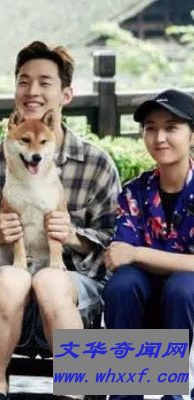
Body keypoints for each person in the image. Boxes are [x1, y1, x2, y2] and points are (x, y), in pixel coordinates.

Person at [0, 41, 121, 400]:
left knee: (51, 281)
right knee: (11, 281)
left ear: (66, 94)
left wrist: (73, 236)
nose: (32, 90)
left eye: (44, 82)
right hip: (8, 277)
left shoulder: (96, 164)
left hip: (73, 284)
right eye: (24, 81)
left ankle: (74, 391)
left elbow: (115, 244)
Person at [103, 89, 194, 400]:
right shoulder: (135, 191)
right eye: (151, 128)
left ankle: (172, 393)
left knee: (183, 288)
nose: (159, 138)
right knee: (121, 285)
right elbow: (118, 255)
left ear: (192, 135)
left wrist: (139, 253)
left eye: (171, 128)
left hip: (187, 300)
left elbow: (130, 252)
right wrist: (133, 256)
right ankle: (123, 393)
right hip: (145, 294)